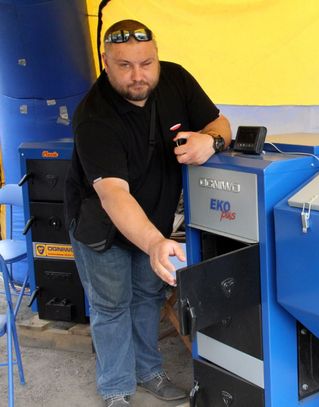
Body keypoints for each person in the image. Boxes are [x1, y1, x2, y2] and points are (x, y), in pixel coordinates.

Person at [64, 19, 231, 407]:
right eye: (124, 65)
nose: (138, 75)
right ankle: (116, 388)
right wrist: (155, 243)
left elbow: (220, 122)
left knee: (147, 297)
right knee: (111, 306)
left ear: (157, 56)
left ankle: (148, 371)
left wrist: (211, 141)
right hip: (101, 225)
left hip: (153, 218)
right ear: (105, 61)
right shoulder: (93, 116)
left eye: (146, 63)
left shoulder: (176, 79)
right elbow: (113, 194)